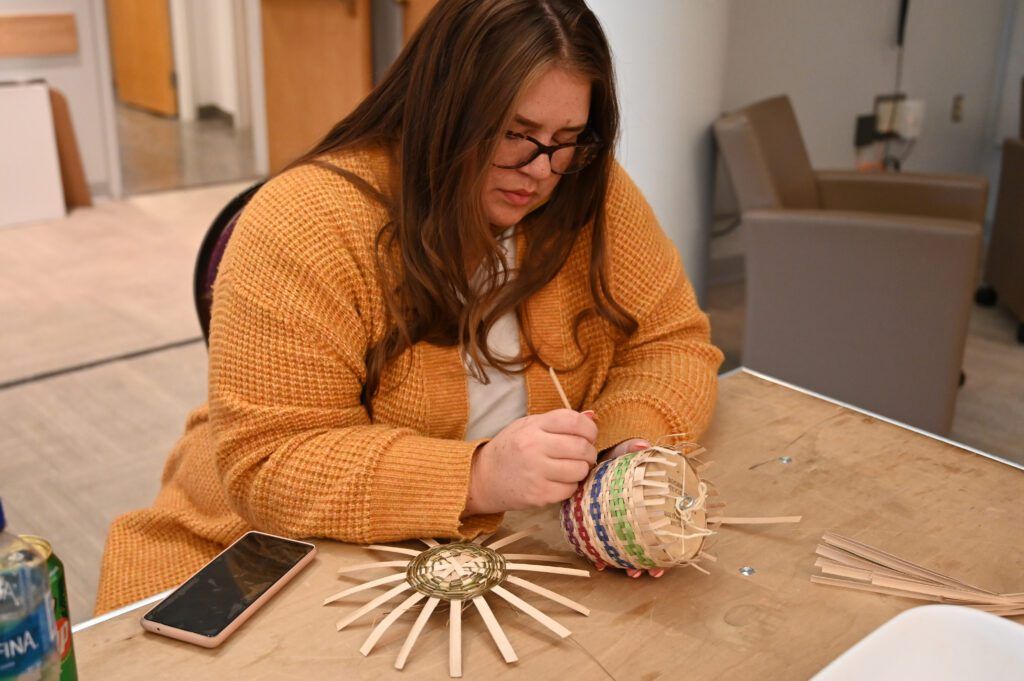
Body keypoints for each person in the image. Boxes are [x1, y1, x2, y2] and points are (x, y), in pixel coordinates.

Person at [95, 0, 722, 614]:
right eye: (515, 134)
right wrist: (478, 476)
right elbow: (271, 464)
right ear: (442, 111)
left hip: (500, 551)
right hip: (271, 550)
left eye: (567, 140)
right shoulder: (305, 223)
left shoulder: (586, 189)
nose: (540, 171)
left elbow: (671, 342)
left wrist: (620, 448)